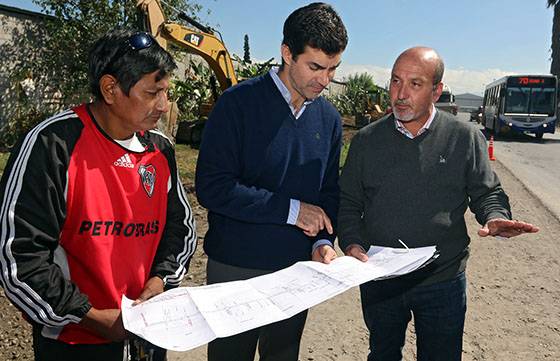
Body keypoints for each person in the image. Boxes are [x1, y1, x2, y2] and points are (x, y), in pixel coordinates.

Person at [0, 29, 197, 361]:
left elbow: (180, 229)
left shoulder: (160, 150)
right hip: (74, 341)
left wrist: (160, 280)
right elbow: (18, 257)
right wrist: (90, 316)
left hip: (147, 335)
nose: (163, 106)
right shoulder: (53, 145)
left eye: (166, 92)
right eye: (152, 93)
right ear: (110, 89)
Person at [338, 46, 539, 361]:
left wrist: (495, 216)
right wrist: (352, 244)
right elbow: (348, 203)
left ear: (436, 91)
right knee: (382, 353)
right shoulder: (366, 141)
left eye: (415, 84)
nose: (401, 94)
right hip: (380, 279)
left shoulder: (464, 138)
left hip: (442, 279)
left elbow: (487, 192)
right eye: (395, 81)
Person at [195, 3, 347, 360]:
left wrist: (323, 240)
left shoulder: (329, 119)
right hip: (236, 265)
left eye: (333, 69)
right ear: (286, 52)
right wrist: (292, 211)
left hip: (297, 271)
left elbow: (328, 193)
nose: (324, 80)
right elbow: (212, 186)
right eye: (315, 67)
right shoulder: (237, 104)